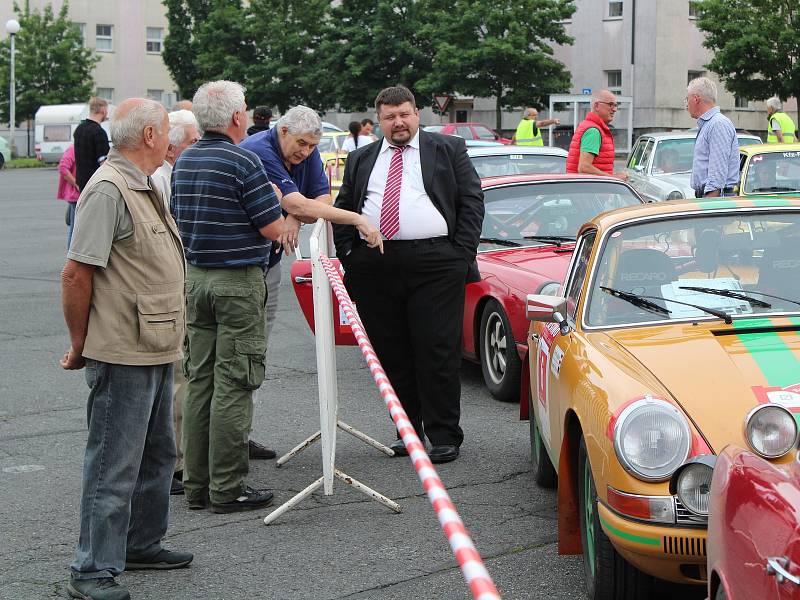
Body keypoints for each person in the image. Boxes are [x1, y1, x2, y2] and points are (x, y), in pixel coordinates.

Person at [61, 98, 193, 600]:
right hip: (122, 349)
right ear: (152, 137)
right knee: (114, 462)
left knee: (157, 453)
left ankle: (140, 544)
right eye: (167, 132)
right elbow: (77, 272)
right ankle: (92, 568)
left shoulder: (142, 182)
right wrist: (81, 344)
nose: (174, 141)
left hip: (155, 341)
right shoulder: (110, 187)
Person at [332, 85, 484, 464]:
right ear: (379, 120)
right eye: (389, 116)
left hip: (437, 264)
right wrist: (351, 256)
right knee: (391, 352)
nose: (398, 122)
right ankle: (407, 431)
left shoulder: (447, 150)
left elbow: (471, 200)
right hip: (376, 265)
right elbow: (345, 207)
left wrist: (459, 255)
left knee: (437, 349)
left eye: (404, 114)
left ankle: (444, 433)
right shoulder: (361, 158)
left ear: (417, 113)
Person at [239, 106, 383, 456]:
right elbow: (301, 203)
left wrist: (292, 214)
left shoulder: (307, 151)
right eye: (301, 144)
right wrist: (357, 220)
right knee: (240, 354)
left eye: (311, 146)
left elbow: (319, 198)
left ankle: (238, 437)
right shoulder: (260, 149)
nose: (305, 152)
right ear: (283, 130)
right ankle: (229, 440)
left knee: (256, 351)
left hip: (267, 261)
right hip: (243, 263)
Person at [171, 80, 287, 513]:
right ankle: (227, 486)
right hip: (236, 282)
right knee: (235, 383)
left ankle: (197, 485)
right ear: (238, 116)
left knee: (201, 380)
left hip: (196, 278)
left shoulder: (184, 161)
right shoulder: (244, 161)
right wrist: (278, 201)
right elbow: (273, 228)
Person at [150, 109, 201, 495]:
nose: (198, 149)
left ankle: (178, 459)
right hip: (166, 293)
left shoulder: (170, 176)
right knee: (177, 379)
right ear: (172, 148)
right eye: (193, 142)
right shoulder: (161, 181)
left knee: (180, 378)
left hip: (173, 289)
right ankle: (174, 464)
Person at [687, 77, 740, 198]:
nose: (687, 104)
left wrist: (707, 210)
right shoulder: (710, 124)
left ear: (695, 99)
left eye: (687, 99)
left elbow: (716, 177)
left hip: (715, 200)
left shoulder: (717, 124)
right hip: (710, 198)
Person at [566, 90, 627, 180]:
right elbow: (584, 168)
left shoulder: (590, 126)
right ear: (597, 106)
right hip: (589, 191)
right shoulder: (593, 131)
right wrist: (614, 178)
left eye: (615, 105)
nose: (614, 109)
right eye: (610, 104)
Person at [73, 96, 110, 192]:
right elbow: (104, 163)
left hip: (81, 181)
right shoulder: (99, 132)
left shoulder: (79, 129)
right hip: (95, 182)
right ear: (103, 110)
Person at [57, 144, 80, 248]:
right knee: (75, 228)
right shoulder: (73, 149)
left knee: (74, 226)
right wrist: (76, 184)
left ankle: (71, 255)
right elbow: (63, 168)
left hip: (76, 195)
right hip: (75, 195)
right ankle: (72, 256)